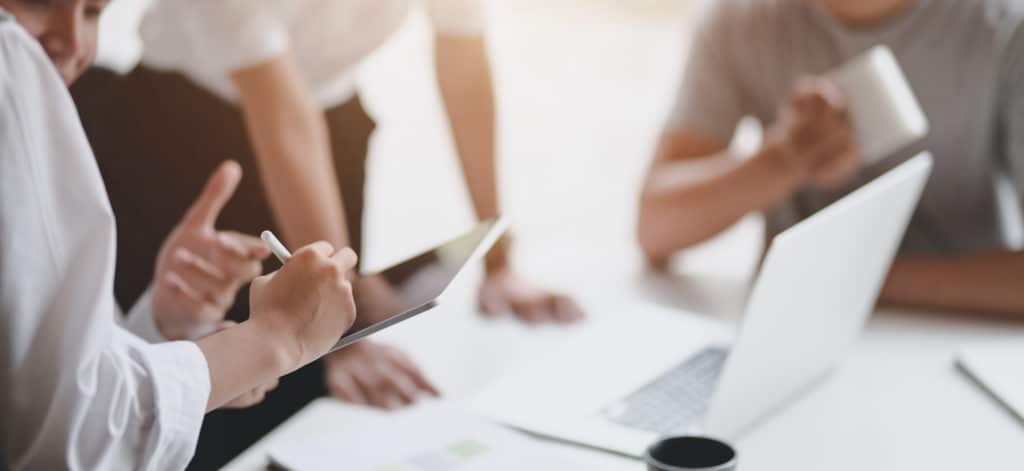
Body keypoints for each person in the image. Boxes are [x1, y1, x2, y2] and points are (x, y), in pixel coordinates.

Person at [71, 0, 586, 467]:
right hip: (177, 135)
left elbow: (463, 58)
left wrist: (500, 265)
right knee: (210, 398)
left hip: (330, 121)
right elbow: (282, 114)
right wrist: (342, 322)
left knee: (326, 398)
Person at [0, 0, 360, 468]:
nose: (73, 43)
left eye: (93, 12)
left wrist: (152, 330)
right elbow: (70, 437)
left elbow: (39, 383)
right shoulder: (9, 61)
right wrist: (273, 339)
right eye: (39, 1)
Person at [637, 0, 1024, 315]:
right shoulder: (739, 21)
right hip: (794, 332)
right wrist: (782, 160)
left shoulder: (1005, 27)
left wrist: (854, 277)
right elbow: (655, 229)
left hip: (959, 334)